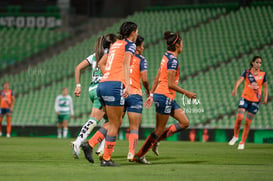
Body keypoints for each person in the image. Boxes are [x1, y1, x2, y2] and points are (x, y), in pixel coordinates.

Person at [133, 31, 196, 164]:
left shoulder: (166, 56)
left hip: (165, 96)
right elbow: (171, 84)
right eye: (182, 43)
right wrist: (187, 93)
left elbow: (157, 76)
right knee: (159, 129)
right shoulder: (172, 61)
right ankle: (139, 155)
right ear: (178, 45)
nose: (183, 46)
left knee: (185, 122)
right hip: (164, 96)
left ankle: (156, 141)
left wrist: (151, 94)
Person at [82, 21, 138, 166]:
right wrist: (126, 85)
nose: (137, 34)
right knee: (115, 124)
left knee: (115, 121)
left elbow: (101, 63)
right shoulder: (130, 45)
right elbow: (126, 64)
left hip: (103, 84)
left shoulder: (115, 44)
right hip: (115, 86)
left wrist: (109, 75)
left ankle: (90, 144)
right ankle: (106, 159)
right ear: (132, 33)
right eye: (136, 31)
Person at [71, 33, 118, 159]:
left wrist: (78, 85)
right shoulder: (111, 55)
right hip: (102, 89)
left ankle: (101, 148)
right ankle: (78, 142)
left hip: (92, 89)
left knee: (110, 120)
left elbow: (78, 68)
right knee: (102, 120)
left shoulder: (95, 56)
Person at [228, 56, 267, 150]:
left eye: (260, 63)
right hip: (245, 98)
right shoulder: (246, 72)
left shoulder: (263, 74)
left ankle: (242, 142)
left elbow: (265, 87)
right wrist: (235, 89)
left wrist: (265, 97)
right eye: (257, 62)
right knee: (240, 117)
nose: (258, 64)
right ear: (252, 63)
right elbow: (240, 80)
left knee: (247, 122)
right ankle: (235, 136)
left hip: (255, 101)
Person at [124, 35, 150, 161]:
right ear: (138, 47)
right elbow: (145, 79)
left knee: (112, 124)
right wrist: (148, 92)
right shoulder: (142, 59)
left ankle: (102, 150)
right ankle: (131, 153)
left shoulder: (125, 57)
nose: (143, 48)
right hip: (135, 94)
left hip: (122, 93)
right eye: (143, 45)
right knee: (134, 127)